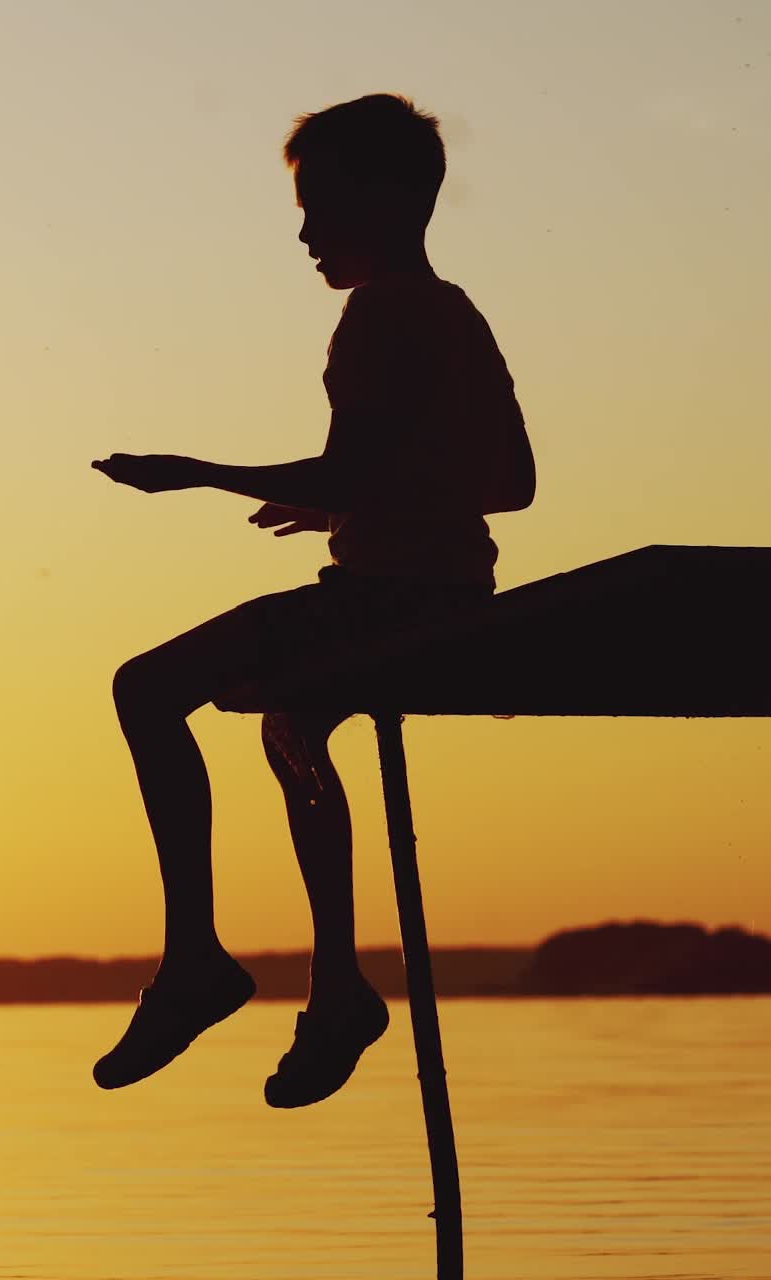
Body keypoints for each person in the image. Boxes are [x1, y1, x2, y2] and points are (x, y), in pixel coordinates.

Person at [89, 92, 535, 1108]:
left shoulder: (376, 313)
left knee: (146, 687)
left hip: (389, 599)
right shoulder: (454, 311)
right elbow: (507, 483)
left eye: (319, 207)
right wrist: (343, 494)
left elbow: (361, 470)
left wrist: (202, 470)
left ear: (382, 200)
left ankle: (197, 957)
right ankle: (335, 984)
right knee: (288, 719)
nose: (302, 234)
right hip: (454, 593)